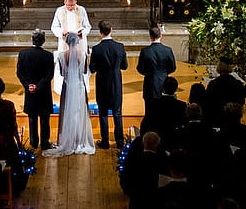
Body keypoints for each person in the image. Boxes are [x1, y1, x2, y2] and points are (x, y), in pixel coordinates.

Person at [50, 23, 96, 158]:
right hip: (79, 86)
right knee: (80, 112)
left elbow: (63, 74)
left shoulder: (61, 55)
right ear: (77, 42)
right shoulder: (83, 55)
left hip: (67, 86)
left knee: (67, 112)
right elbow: (84, 71)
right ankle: (80, 140)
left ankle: (66, 139)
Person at [87, 20, 128, 149]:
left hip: (102, 82)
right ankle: (120, 141)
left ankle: (105, 141)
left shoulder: (97, 49)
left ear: (100, 32)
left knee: (103, 112)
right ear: (111, 30)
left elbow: (92, 69)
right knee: (117, 112)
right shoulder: (120, 46)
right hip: (115, 81)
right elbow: (125, 66)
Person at [16, 30, 55, 150]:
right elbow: (49, 75)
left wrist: (28, 85)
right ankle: (45, 142)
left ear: (32, 39)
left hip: (30, 91)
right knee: (45, 118)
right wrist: (38, 86)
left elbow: (19, 73)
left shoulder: (23, 54)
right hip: (43, 91)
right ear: (43, 41)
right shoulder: (48, 55)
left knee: (32, 117)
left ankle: (33, 142)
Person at [50, 0, 91, 102]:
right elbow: (54, 27)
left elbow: (87, 26)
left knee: (80, 64)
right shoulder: (59, 11)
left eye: (72, 5)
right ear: (64, 2)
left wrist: (81, 32)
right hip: (65, 43)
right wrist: (61, 32)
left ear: (76, 2)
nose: (70, 7)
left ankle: (82, 87)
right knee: (64, 64)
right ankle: (61, 88)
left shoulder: (81, 10)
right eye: (68, 5)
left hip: (80, 43)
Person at [136, 23, 177, 122]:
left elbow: (140, 68)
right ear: (161, 36)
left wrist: (149, 73)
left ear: (150, 37)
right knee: (164, 113)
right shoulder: (168, 50)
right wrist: (164, 73)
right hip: (165, 84)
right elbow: (173, 67)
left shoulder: (145, 51)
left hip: (150, 84)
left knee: (150, 113)